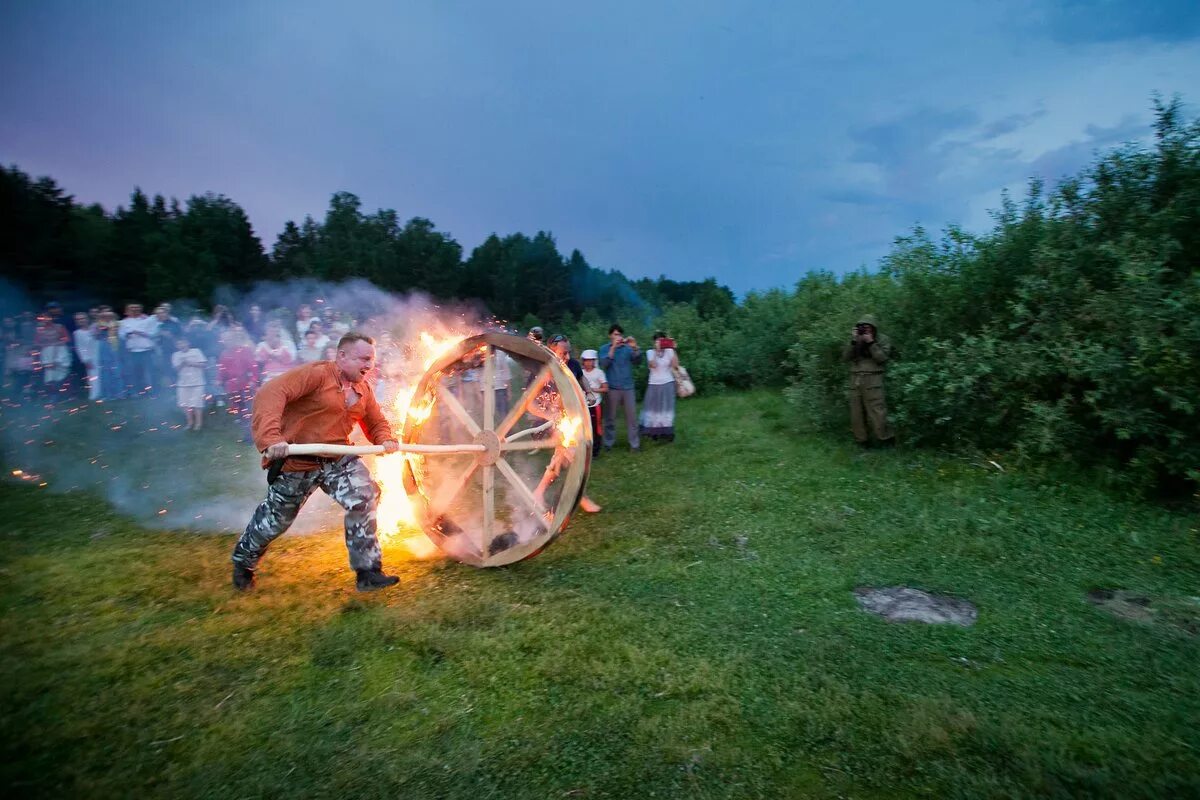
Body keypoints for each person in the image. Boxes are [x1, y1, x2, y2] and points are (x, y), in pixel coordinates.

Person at [230, 332, 401, 592]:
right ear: (341, 356)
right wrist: (271, 439)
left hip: (337, 458)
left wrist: (385, 438)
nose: (369, 365)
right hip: (297, 461)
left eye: (372, 360)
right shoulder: (316, 375)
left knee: (364, 496)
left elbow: (375, 421)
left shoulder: (362, 388)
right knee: (276, 520)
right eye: (363, 358)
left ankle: (367, 573)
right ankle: (244, 562)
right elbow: (271, 393)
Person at [842, 314, 895, 447]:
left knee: (878, 411)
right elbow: (845, 357)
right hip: (856, 379)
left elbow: (882, 359)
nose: (863, 330)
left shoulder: (882, 339)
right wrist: (854, 341)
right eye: (860, 327)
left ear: (873, 328)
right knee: (856, 413)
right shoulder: (855, 340)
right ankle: (862, 441)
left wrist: (871, 342)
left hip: (873, 379)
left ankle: (886, 440)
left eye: (866, 327)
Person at [598, 324, 642, 452]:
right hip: (612, 388)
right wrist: (613, 349)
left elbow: (638, 361)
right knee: (610, 417)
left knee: (632, 417)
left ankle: (635, 445)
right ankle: (608, 443)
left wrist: (635, 348)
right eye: (615, 334)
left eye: (620, 334)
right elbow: (604, 364)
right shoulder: (604, 348)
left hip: (628, 387)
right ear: (610, 336)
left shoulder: (627, 348)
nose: (618, 337)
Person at [218, 326, 259, 441]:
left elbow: (254, 367)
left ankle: (251, 436)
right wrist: (219, 380)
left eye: (229, 339)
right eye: (225, 340)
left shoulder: (245, 351)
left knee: (249, 411)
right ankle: (247, 434)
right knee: (240, 412)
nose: (227, 342)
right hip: (233, 387)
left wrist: (253, 380)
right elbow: (222, 370)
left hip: (246, 385)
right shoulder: (224, 354)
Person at [640, 332, 679, 442]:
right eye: (658, 340)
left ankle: (667, 432)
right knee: (653, 409)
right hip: (654, 383)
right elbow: (653, 365)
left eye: (662, 340)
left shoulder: (669, 351)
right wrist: (657, 351)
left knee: (667, 409)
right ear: (654, 342)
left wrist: (674, 349)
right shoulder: (650, 352)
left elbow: (675, 366)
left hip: (668, 382)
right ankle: (654, 432)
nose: (660, 343)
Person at [118, 303, 158, 396]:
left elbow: (154, 333)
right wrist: (128, 334)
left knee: (150, 372)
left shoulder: (147, 320)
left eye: (137, 308)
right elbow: (121, 335)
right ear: (127, 310)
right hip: (132, 352)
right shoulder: (123, 322)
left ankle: (153, 392)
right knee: (135, 373)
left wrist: (140, 333)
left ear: (140, 309)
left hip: (146, 350)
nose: (134, 310)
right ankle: (138, 392)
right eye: (132, 308)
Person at [171, 336, 208, 430]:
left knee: (197, 404)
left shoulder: (196, 351)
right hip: (183, 384)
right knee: (185, 404)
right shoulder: (176, 355)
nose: (181, 345)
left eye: (183, 343)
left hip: (197, 382)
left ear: (187, 343)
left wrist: (191, 363)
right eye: (179, 344)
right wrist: (183, 363)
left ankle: (198, 424)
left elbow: (204, 365)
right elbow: (176, 369)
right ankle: (190, 423)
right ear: (176, 346)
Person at [579, 349, 607, 458]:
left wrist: (593, 389)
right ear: (583, 361)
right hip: (582, 405)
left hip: (596, 405)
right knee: (583, 428)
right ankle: (585, 450)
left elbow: (606, 388)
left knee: (596, 428)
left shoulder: (599, 373)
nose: (589, 363)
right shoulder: (580, 372)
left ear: (594, 361)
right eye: (586, 360)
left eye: (591, 360)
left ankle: (595, 452)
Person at [72, 312, 99, 400]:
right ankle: (95, 394)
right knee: (93, 376)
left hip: (101, 354)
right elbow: (79, 348)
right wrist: (85, 360)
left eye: (83, 318)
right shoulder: (77, 333)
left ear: (87, 318)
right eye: (78, 319)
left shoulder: (95, 328)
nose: (81, 320)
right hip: (90, 357)